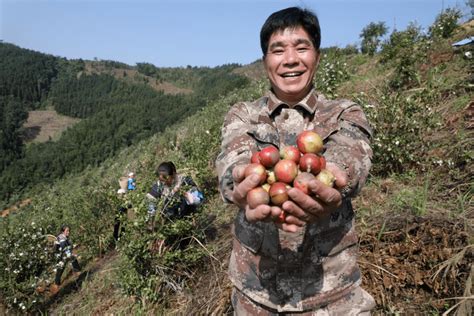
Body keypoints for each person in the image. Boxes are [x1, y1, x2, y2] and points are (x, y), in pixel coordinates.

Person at [216, 7, 375, 314]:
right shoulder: (243, 115)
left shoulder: (344, 112)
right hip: (256, 296)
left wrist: (334, 175)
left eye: (302, 48)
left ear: (317, 56)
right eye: (278, 50)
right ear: (265, 62)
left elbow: (352, 152)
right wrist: (236, 180)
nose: (290, 59)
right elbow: (232, 156)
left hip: (332, 296)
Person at [146, 161, 202, 226]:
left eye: (166, 179)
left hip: (187, 214)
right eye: (161, 180)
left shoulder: (184, 180)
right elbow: (150, 202)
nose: (164, 183)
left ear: (173, 174)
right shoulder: (158, 186)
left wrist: (185, 194)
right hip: (170, 219)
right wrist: (150, 219)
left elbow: (199, 199)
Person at [50, 225, 81, 294]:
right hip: (61, 255)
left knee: (70, 262)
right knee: (61, 268)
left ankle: (78, 272)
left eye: (69, 230)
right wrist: (68, 253)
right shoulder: (61, 237)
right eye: (67, 231)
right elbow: (63, 246)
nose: (68, 232)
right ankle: (56, 284)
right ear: (63, 231)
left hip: (63, 254)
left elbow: (67, 245)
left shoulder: (64, 237)